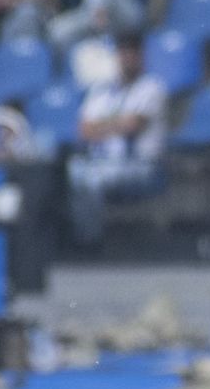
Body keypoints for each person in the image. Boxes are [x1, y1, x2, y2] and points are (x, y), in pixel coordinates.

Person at [66, 31, 168, 247]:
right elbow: (84, 130)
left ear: (141, 56)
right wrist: (116, 123)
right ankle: (74, 238)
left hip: (140, 164)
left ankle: (90, 243)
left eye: (133, 52)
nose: (128, 57)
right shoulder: (102, 89)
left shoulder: (152, 87)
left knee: (92, 180)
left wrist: (101, 125)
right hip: (101, 161)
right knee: (72, 170)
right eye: (124, 51)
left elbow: (132, 126)